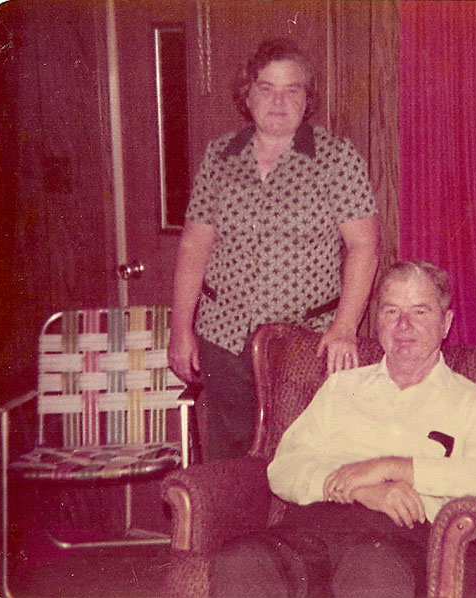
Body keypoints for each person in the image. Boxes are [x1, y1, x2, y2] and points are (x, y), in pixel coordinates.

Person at [210, 260, 476, 598]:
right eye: (391, 311)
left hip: (397, 539)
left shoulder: (470, 403)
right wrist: (359, 489)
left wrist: (393, 468)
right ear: (377, 320)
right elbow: (283, 468)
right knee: (241, 562)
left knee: (372, 571)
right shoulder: (341, 387)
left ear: (445, 323)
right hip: (312, 530)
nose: (403, 325)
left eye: (420, 312)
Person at [168, 38, 380, 458]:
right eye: (266, 88)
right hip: (224, 336)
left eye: (291, 89)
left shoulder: (337, 159)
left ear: (307, 98)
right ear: (247, 96)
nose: (278, 101)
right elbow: (194, 246)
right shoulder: (220, 157)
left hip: (304, 339)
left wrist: (344, 328)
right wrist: (180, 329)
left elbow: (364, 247)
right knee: (231, 456)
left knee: (299, 455)